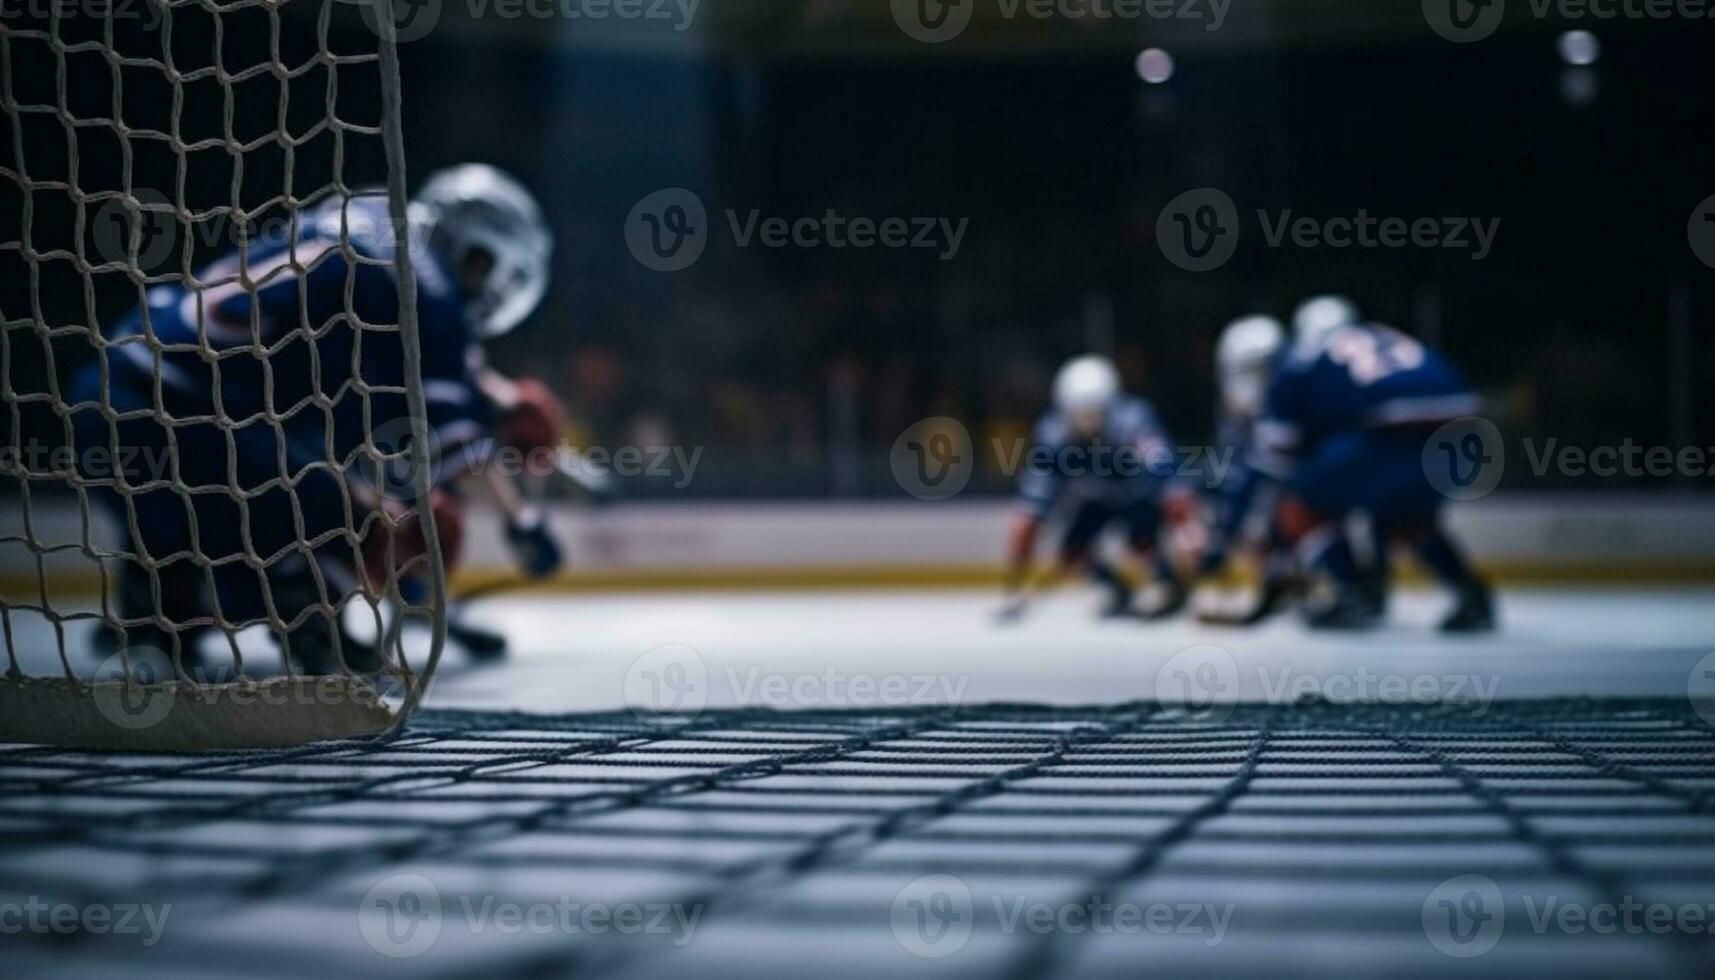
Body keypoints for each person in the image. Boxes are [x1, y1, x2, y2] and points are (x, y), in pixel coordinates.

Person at [69, 164, 564, 672]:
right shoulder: (430, 288)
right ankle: (306, 626)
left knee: (304, 486)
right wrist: (525, 525)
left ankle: (161, 605)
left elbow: (379, 370)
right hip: (183, 423)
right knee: (344, 518)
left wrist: (500, 401)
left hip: (109, 394)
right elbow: (455, 444)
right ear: (479, 252)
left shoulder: (363, 215)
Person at [1207, 309, 1497, 631]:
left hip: (1390, 434)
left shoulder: (1295, 365)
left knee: (1297, 507)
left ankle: (1350, 592)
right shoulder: (1373, 337)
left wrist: (1222, 541)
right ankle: (1471, 594)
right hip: (1465, 436)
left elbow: (1269, 470)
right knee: (1405, 514)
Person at [999, 355, 1192, 622]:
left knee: (1142, 540)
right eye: (1079, 414)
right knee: (1072, 551)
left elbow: (1167, 474)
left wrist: (1186, 527)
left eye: (1095, 413)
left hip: (1137, 495)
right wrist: (1015, 585)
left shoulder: (1134, 422)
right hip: (1093, 500)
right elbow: (1031, 510)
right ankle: (1115, 587)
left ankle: (1168, 582)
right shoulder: (1052, 435)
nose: (1087, 423)